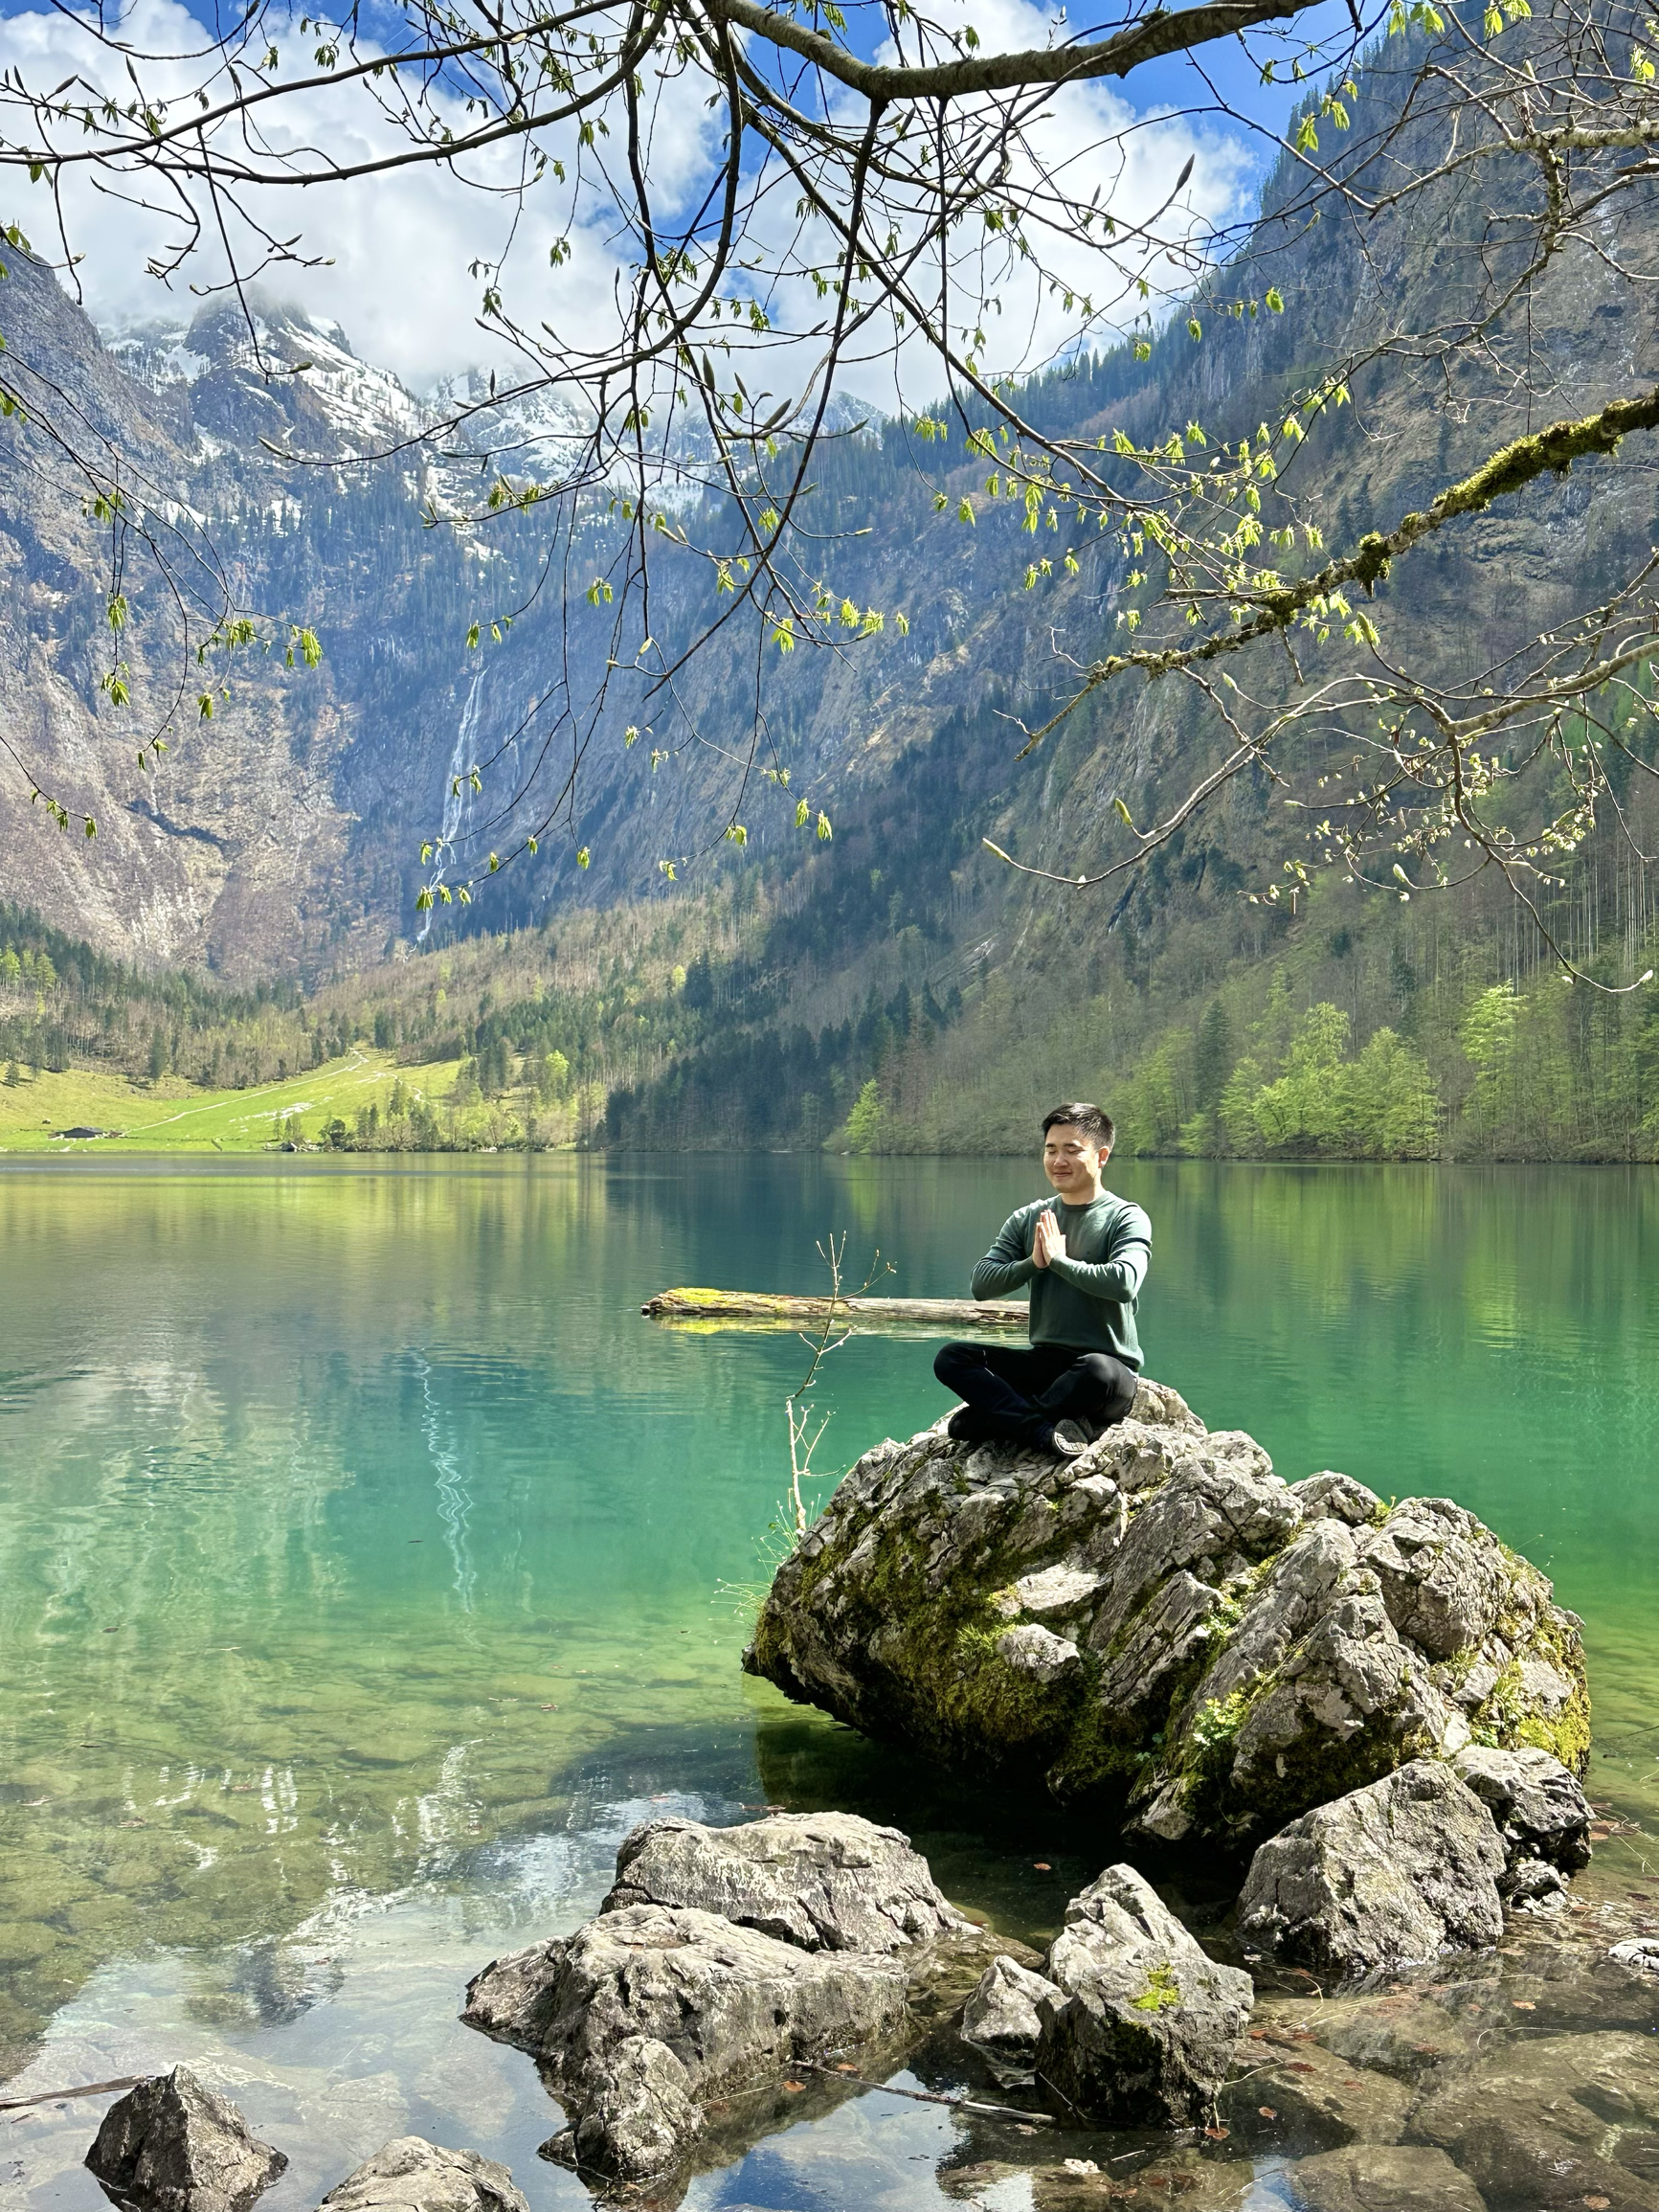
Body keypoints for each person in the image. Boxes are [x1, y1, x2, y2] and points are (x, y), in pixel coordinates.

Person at [934, 1102, 1150, 1457]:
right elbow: (981, 1284)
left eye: (1072, 1150)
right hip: (1045, 1365)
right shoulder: (1029, 1217)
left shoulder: (1126, 1217)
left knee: (1096, 1371)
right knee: (953, 1358)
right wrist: (1034, 1262)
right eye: (1051, 1150)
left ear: (1102, 1156)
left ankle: (1003, 1419)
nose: (1058, 1160)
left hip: (1107, 1372)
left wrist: (1060, 1260)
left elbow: (1124, 1282)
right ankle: (1038, 1427)